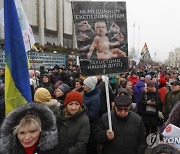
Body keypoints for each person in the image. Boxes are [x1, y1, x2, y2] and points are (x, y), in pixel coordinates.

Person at [83, 76, 100, 154]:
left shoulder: (95, 98)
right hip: (85, 123)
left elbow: (92, 114)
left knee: (90, 145)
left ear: (90, 86)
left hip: (91, 125)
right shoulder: (86, 94)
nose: (83, 86)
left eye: (85, 85)